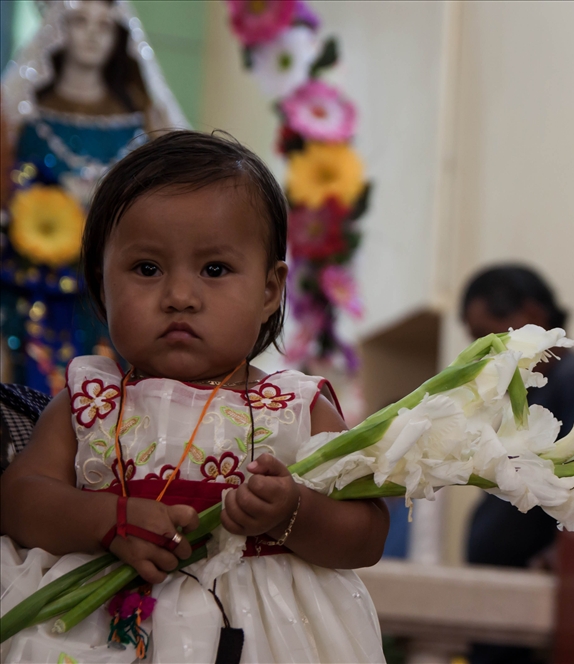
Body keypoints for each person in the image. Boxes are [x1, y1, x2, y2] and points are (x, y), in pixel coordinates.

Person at [0, 131, 388, 663]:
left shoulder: (297, 407)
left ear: (271, 288)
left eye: (214, 270)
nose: (180, 297)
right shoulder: (91, 401)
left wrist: (293, 511)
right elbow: (19, 499)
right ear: (100, 282)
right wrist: (104, 518)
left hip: (267, 635)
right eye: (147, 269)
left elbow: (366, 533)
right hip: (101, 628)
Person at [0, 0, 187, 393]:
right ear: (56, 28)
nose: (91, 35)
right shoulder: (22, 115)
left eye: (103, 26)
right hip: (39, 283)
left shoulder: (142, 119)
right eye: (79, 21)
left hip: (113, 284)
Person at [463, 265, 574, 664]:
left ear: (534, 315)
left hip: (537, 605)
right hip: (503, 604)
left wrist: (560, 558)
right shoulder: (529, 389)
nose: (489, 354)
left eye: (493, 336)